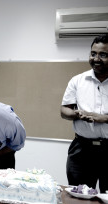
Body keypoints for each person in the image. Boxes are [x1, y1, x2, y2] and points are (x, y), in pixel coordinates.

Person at [61, 34, 108, 193]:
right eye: (93, 53)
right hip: (82, 149)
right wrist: (77, 114)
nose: (96, 58)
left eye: (103, 54)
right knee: (78, 195)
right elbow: (64, 110)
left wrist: (104, 118)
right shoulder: (77, 81)